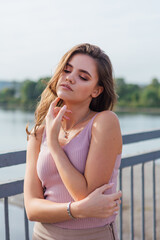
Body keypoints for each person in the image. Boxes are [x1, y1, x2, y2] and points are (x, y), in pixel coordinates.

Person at [24, 43, 122, 240]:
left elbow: (84, 195)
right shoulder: (38, 132)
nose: (69, 77)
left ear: (96, 91)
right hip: (42, 235)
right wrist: (76, 210)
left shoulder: (104, 122)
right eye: (66, 70)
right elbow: (32, 208)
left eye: (83, 76)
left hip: (91, 236)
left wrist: (53, 144)